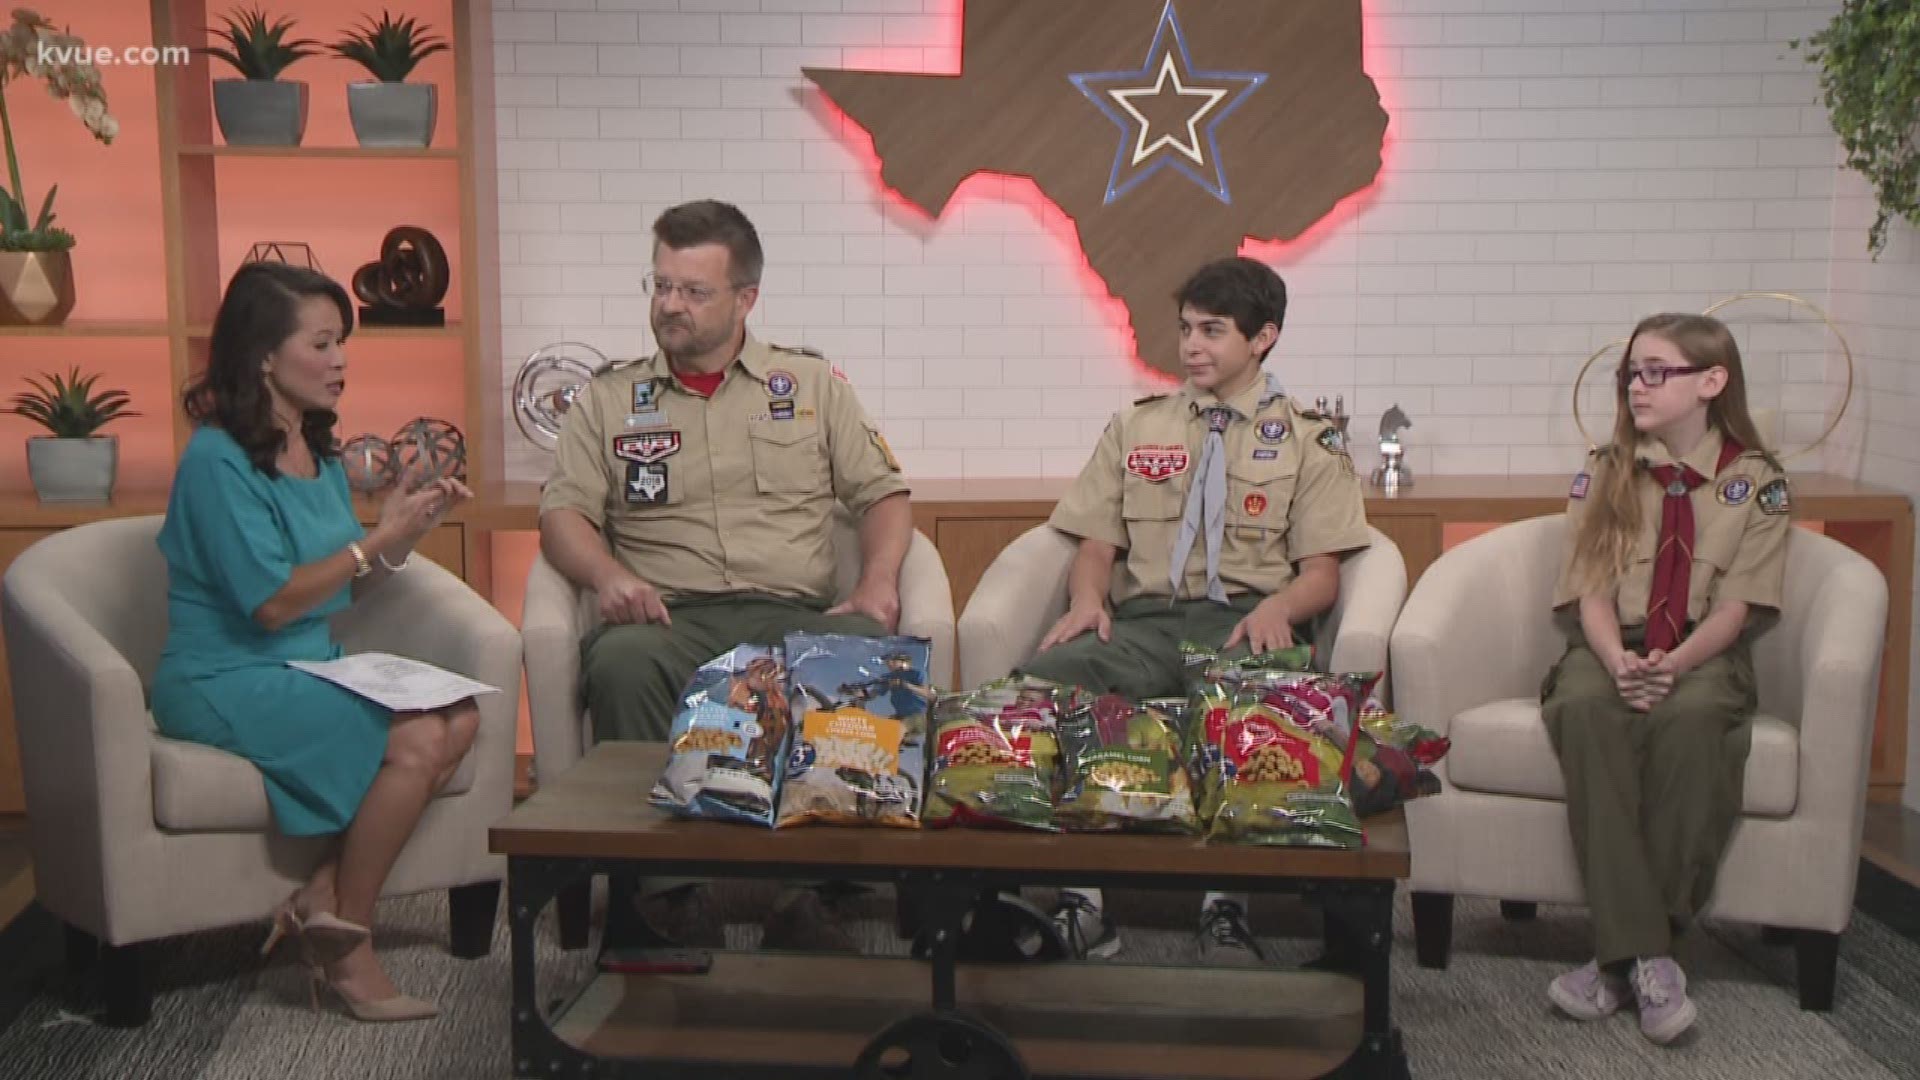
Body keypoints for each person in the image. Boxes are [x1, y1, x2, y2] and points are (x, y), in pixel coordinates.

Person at [539, 199, 912, 950]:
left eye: (693, 290)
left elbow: (882, 494)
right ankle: (666, 895)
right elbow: (562, 516)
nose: (670, 305)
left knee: (854, 660)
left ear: (746, 298)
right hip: (670, 619)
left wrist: (876, 582)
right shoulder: (610, 401)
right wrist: (608, 574)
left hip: (791, 609)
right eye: (661, 285)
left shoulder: (808, 386)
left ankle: (811, 898)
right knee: (618, 663)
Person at [1020, 256, 1371, 965]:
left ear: (1263, 336)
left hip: (1242, 621)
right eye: (1185, 329)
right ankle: (1082, 903)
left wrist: (1281, 605)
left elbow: (1322, 574)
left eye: (1213, 330)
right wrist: (1088, 601)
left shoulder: (1309, 438)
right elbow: (1096, 544)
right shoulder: (1137, 426)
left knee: (1250, 701)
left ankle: (1225, 909)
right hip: (1146, 622)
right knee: (1051, 679)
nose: (1191, 347)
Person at [150, 262, 476, 1022]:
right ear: (264, 355)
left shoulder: (317, 449)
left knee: (461, 713)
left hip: (302, 663)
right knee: (420, 736)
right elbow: (268, 605)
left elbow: (344, 585)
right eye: (322, 343)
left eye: (342, 344)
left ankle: (322, 897)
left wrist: (402, 531)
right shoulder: (216, 460)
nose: (340, 361)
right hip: (223, 677)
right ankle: (349, 948)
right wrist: (376, 541)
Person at [1543, 312, 1790, 1044]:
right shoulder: (1607, 468)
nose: (1637, 387)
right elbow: (1589, 589)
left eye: (1657, 372)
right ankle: (1652, 957)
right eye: (1632, 373)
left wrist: (1673, 665)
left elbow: (1740, 605)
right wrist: (1618, 661)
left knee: (1689, 721)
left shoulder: (1759, 483)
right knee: (1584, 708)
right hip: (1607, 644)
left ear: (1711, 382)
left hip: (1703, 651)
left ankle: (1614, 965)